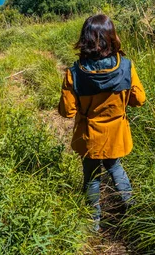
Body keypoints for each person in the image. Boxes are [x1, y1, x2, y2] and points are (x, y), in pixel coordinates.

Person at [58, 13, 146, 231]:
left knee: (91, 176)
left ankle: (93, 223)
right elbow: (139, 100)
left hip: (89, 136)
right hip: (116, 133)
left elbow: (67, 111)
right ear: (111, 37)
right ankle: (131, 208)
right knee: (115, 167)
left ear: (85, 39)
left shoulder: (75, 73)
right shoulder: (126, 67)